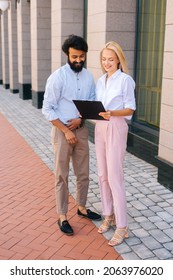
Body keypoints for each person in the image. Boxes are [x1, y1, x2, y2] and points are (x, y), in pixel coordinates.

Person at [42, 34, 101, 236]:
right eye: (74, 56)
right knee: (62, 176)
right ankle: (62, 216)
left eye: (81, 56)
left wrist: (80, 119)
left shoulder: (88, 77)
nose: (78, 60)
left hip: (81, 130)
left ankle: (82, 208)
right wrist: (67, 130)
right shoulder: (57, 77)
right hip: (61, 132)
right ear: (67, 54)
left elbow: (92, 101)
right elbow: (47, 109)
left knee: (83, 173)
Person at [94, 41, 136, 246]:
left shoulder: (125, 80)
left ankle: (122, 226)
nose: (106, 62)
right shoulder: (101, 80)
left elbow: (130, 109)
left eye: (110, 59)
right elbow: (98, 105)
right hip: (100, 127)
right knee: (102, 175)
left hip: (116, 126)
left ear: (118, 59)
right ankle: (108, 215)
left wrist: (112, 113)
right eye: (104, 59)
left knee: (114, 177)